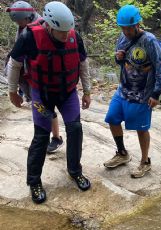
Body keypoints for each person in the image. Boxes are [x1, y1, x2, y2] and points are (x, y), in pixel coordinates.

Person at [7, 1, 92, 204]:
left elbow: (83, 63)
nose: (65, 36)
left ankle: (74, 171)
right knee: (41, 137)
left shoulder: (73, 35)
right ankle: (34, 182)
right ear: (49, 26)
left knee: (75, 129)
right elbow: (15, 63)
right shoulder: (29, 36)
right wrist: (12, 92)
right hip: (41, 95)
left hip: (68, 93)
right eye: (61, 32)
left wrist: (87, 91)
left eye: (67, 31)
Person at [103, 5, 161, 178]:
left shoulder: (150, 41)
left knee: (140, 129)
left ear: (138, 24)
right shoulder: (122, 38)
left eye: (129, 28)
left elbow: (160, 66)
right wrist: (118, 58)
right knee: (112, 119)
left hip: (143, 94)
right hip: (123, 90)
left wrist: (156, 94)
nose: (126, 31)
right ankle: (122, 153)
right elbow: (119, 60)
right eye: (123, 28)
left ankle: (145, 162)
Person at [6, 0, 64, 153]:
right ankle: (44, 137)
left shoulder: (42, 27)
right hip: (31, 77)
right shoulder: (24, 27)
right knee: (39, 107)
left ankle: (56, 138)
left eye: (18, 20)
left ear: (27, 17)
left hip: (43, 78)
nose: (17, 23)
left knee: (44, 108)